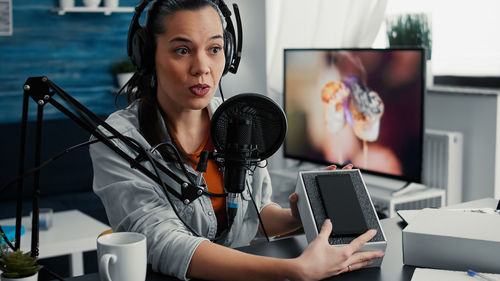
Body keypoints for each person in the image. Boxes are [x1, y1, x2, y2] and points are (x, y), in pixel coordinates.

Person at [89, 1, 384, 280]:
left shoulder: (238, 118)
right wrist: (294, 270)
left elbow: (254, 214)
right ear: (147, 56)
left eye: (214, 48)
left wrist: (300, 215)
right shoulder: (118, 140)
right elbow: (163, 242)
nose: (202, 67)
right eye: (182, 50)